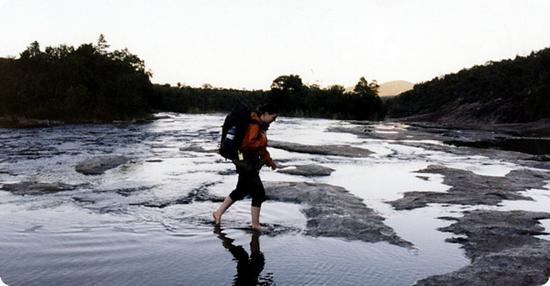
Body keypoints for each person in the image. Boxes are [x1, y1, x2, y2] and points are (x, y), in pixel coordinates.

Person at [213, 103, 278, 231]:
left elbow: (261, 147)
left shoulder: (260, 125)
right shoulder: (254, 125)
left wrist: (269, 161)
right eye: (273, 117)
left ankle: (218, 213)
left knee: (241, 190)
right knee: (259, 194)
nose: (273, 120)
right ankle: (255, 225)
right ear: (264, 114)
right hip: (245, 163)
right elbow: (249, 144)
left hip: (247, 162)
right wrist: (260, 146)